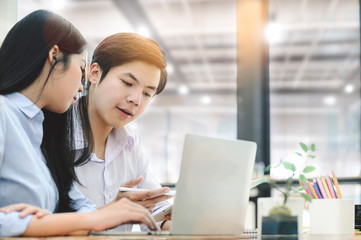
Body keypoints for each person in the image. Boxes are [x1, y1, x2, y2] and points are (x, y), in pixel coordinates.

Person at [0, 10, 158, 237]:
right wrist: (42, 223)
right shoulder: (5, 113)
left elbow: (81, 208)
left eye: (147, 94)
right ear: (54, 56)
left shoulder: (41, 129)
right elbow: (85, 218)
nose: (82, 83)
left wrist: (56, 221)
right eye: (82, 67)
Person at [72, 33, 172, 231]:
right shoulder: (50, 133)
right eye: (127, 83)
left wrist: (178, 223)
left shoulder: (131, 142)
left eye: (147, 94)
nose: (136, 99)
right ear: (94, 73)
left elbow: (155, 209)